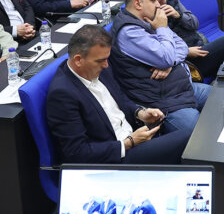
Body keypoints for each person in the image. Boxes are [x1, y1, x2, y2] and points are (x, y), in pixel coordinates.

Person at [46, 25, 185, 164]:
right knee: (189, 137)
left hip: (135, 136)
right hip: (116, 159)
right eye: (101, 60)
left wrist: (140, 113)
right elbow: (77, 153)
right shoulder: (62, 94)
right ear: (78, 60)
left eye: (107, 58)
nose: (106, 65)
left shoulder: (97, 66)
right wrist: (128, 143)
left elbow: (121, 99)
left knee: (190, 135)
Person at [109, 0, 212, 135]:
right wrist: (162, 29)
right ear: (138, 4)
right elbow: (166, 57)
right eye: (153, 0)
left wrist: (170, 63)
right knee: (201, 134)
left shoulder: (149, 19)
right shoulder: (129, 32)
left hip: (177, 88)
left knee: (223, 98)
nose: (158, 4)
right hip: (160, 101)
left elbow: (182, 46)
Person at [141, 0, 224, 82]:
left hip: (196, 43)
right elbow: (158, 52)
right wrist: (186, 52)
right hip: (185, 60)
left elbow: (195, 24)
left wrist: (179, 15)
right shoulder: (146, 15)